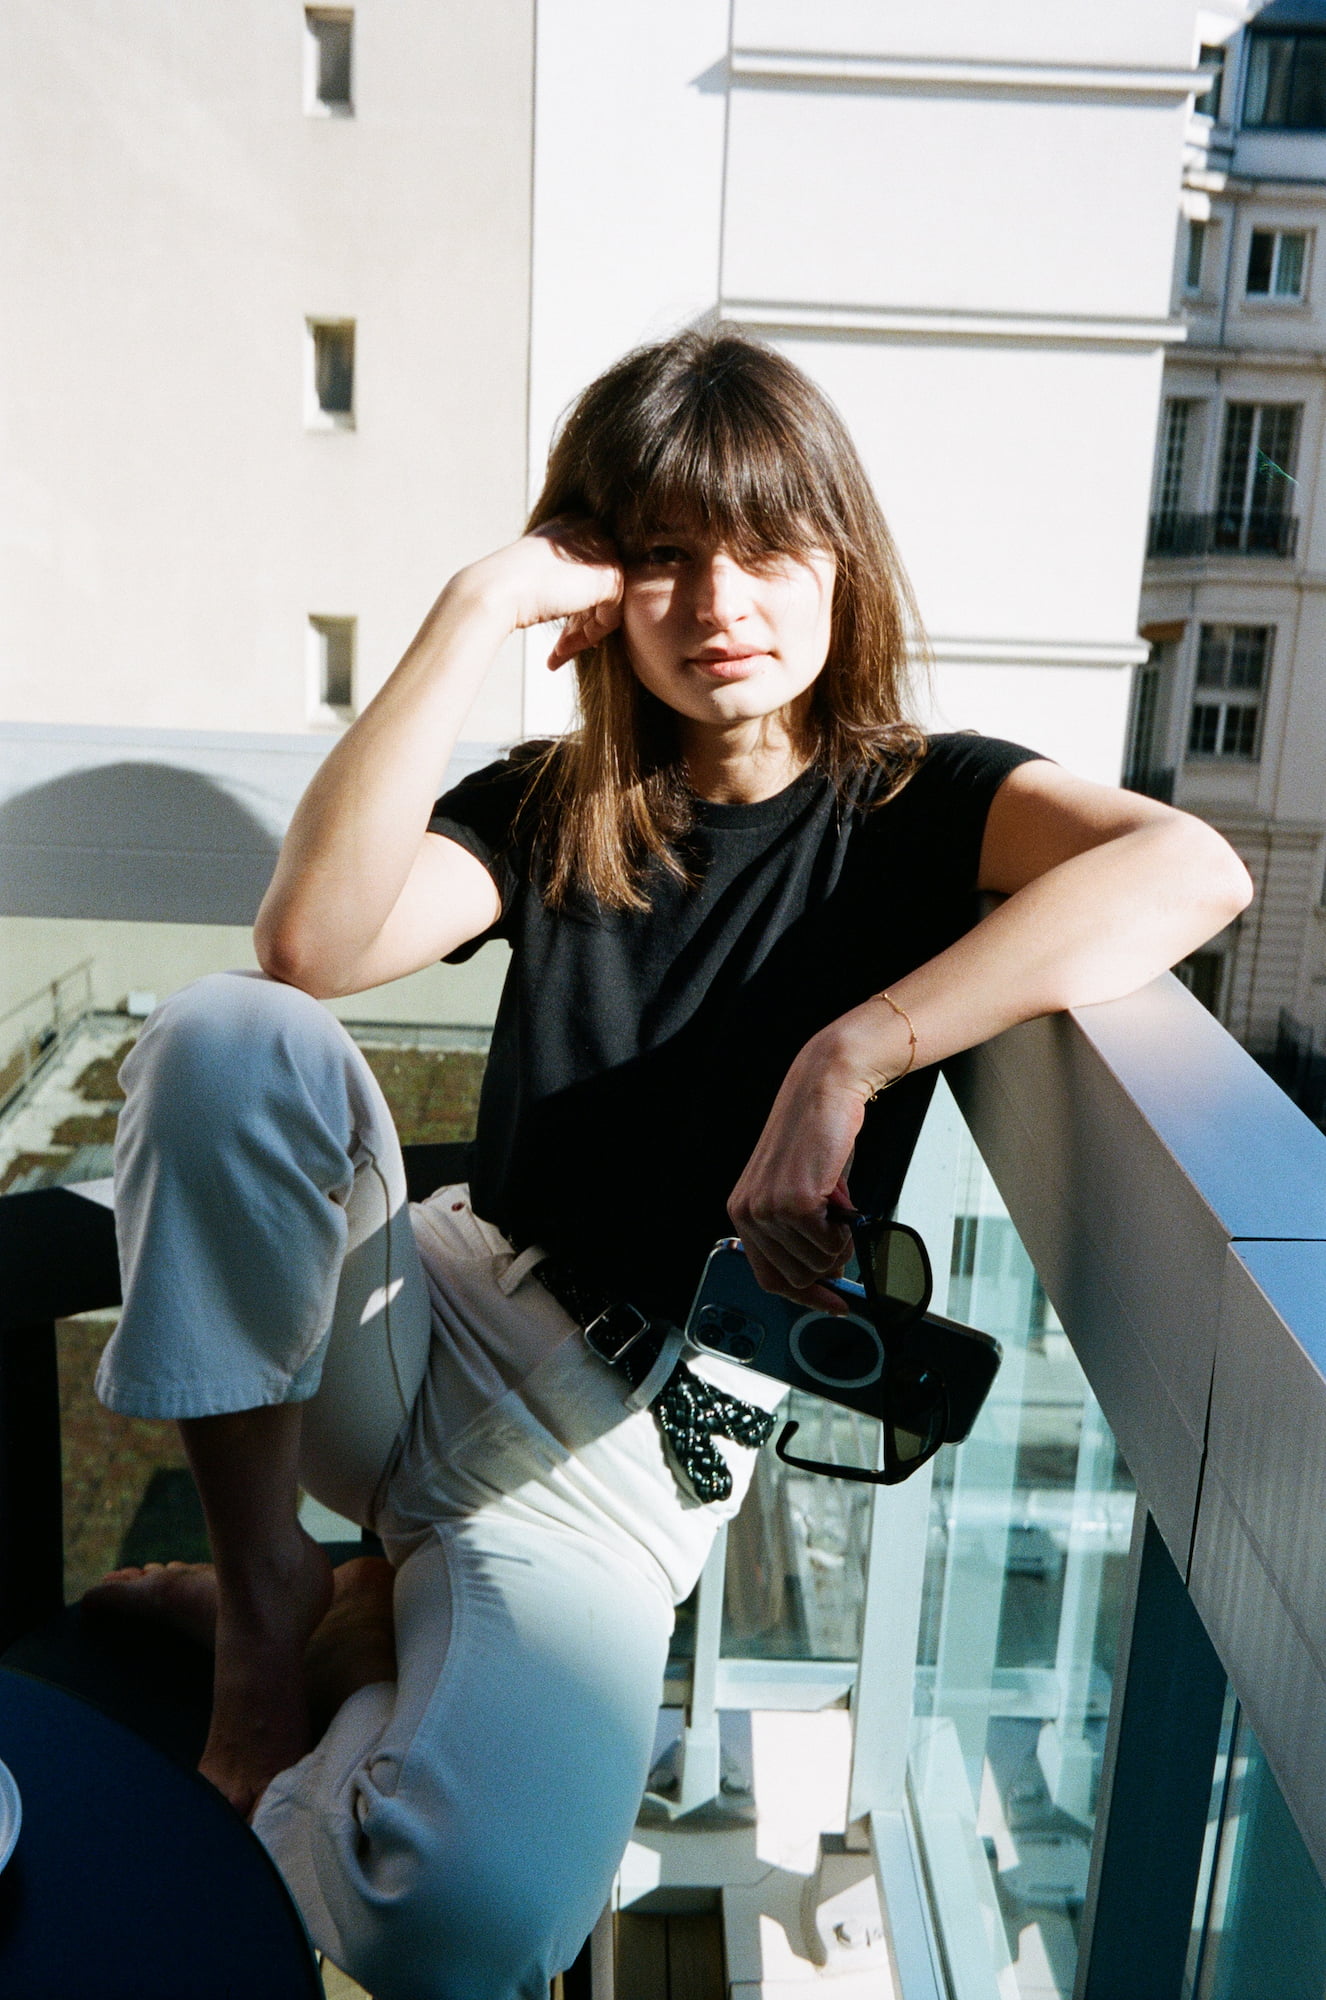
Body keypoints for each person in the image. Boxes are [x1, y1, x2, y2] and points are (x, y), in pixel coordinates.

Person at [87, 329, 1252, 1998]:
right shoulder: (560, 800)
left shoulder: (919, 804)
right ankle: (274, 1616)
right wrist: (471, 611)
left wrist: (853, 1048)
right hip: (425, 1321)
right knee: (226, 1034)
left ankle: (381, 1630)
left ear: (840, 565)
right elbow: (312, 940)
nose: (721, 602)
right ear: (596, 583)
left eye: (769, 549)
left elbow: (1187, 867)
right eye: (662, 556)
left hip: (633, 1454)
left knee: (464, 1924)